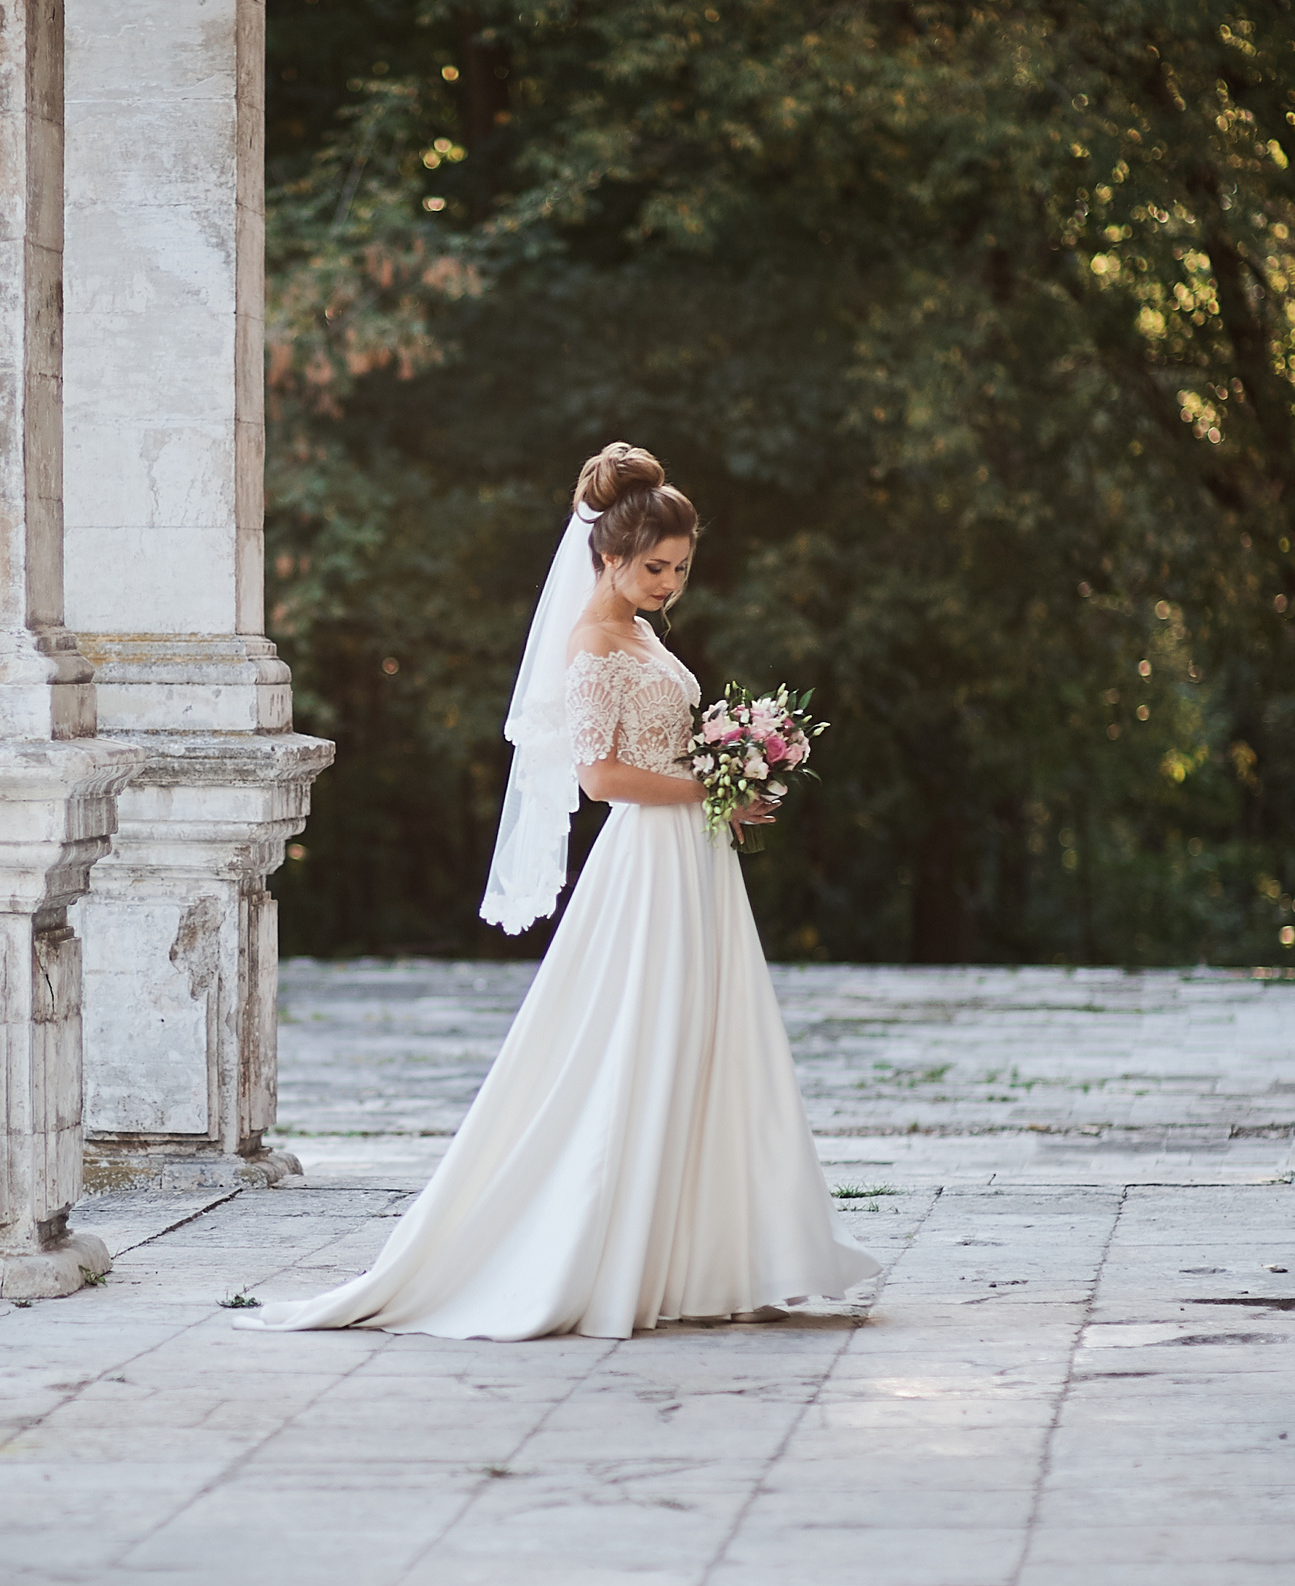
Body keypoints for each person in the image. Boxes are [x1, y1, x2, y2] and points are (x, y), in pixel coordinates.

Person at [251, 443, 878, 1340]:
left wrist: (728, 785)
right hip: (648, 862)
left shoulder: (642, 629)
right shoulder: (592, 640)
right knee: (639, 1037)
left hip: (694, 855)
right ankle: (603, 1249)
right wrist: (711, 785)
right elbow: (599, 777)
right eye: (654, 567)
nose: (669, 582)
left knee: (704, 1037)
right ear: (608, 556)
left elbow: (658, 751)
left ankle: (705, 1254)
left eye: (681, 567)